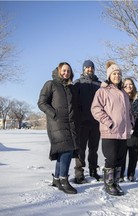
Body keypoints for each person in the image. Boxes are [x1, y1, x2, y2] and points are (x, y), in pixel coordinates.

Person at [91, 60, 133, 196]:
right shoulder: (103, 91)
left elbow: (129, 111)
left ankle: (116, 183)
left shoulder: (124, 93)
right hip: (110, 131)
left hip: (123, 132)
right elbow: (96, 109)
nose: (117, 76)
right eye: (114, 73)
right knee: (111, 158)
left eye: (119, 74)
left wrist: (131, 123)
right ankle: (108, 184)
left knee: (120, 159)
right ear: (109, 76)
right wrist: (108, 122)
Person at [38, 62, 79, 194]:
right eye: (64, 70)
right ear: (59, 70)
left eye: (68, 71)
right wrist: (54, 114)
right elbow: (41, 103)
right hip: (56, 123)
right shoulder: (51, 84)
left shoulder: (70, 87)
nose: (66, 73)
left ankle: (56, 179)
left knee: (63, 150)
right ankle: (64, 180)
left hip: (69, 124)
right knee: (67, 150)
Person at [73, 60, 102, 184]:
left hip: (96, 123)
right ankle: (79, 173)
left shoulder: (100, 84)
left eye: (91, 67)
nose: (89, 69)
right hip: (82, 123)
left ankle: (93, 170)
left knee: (94, 149)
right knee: (81, 149)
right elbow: (73, 102)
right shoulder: (78, 83)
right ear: (83, 69)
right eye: (87, 67)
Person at [120, 78, 138, 182]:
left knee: (134, 156)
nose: (128, 86)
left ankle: (131, 174)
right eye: (126, 84)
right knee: (122, 156)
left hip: (136, 131)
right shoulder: (120, 97)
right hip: (123, 131)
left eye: (130, 84)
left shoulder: (137, 98)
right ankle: (120, 175)